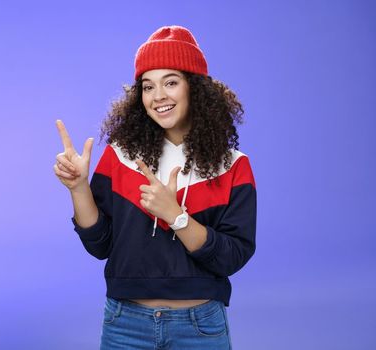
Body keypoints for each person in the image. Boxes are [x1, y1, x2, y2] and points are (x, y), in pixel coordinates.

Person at [53, 25, 256, 349]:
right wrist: (78, 188)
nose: (158, 95)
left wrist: (177, 217)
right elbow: (100, 245)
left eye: (171, 82)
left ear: (195, 88)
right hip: (125, 323)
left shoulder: (233, 166)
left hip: (199, 326)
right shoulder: (120, 155)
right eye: (148, 86)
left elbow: (232, 257)